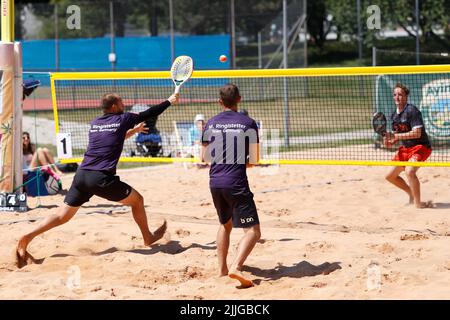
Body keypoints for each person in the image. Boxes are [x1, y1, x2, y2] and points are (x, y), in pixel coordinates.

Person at [16, 92, 179, 268]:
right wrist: (170, 100)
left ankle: (28, 236)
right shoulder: (122, 118)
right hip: (101, 178)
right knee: (138, 201)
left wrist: (134, 131)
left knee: (61, 216)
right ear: (115, 106)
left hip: (82, 175)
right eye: (121, 101)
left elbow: (113, 138)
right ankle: (148, 237)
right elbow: (149, 113)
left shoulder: (95, 123)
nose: (124, 104)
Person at [201, 83, 260, 288]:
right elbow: (253, 160)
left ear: (220, 102)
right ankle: (236, 266)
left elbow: (205, 157)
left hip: (215, 181)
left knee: (225, 225)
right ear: (239, 99)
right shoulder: (248, 122)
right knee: (253, 231)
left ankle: (222, 270)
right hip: (235, 181)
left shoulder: (211, 123)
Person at [384, 82, 433, 209]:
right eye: (395, 94)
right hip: (406, 149)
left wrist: (396, 136)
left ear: (406, 96)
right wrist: (389, 140)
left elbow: (417, 133)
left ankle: (418, 203)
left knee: (409, 171)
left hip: (421, 147)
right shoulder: (394, 115)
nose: (397, 97)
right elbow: (397, 135)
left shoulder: (412, 110)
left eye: (400, 94)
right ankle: (410, 192)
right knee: (389, 176)